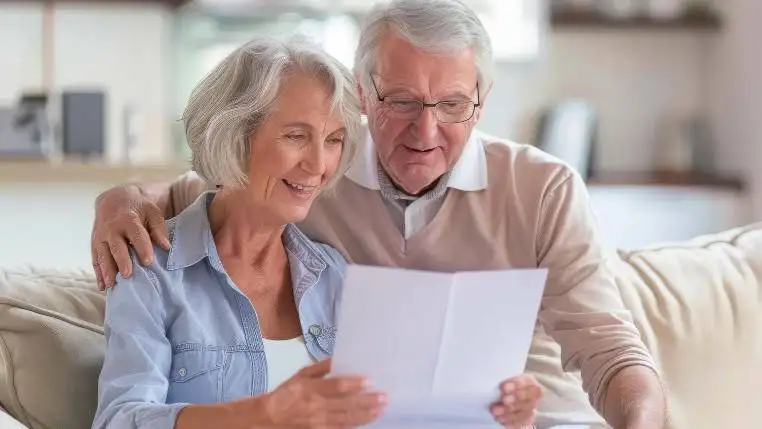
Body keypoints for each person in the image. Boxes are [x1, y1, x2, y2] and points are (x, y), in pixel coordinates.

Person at [91, 1, 666, 428]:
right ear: (366, 94)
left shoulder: (542, 189)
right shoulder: (305, 189)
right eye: (402, 101)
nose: (426, 130)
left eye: (452, 105)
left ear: (481, 101)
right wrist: (117, 200)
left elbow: (613, 353)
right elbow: (217, 183)